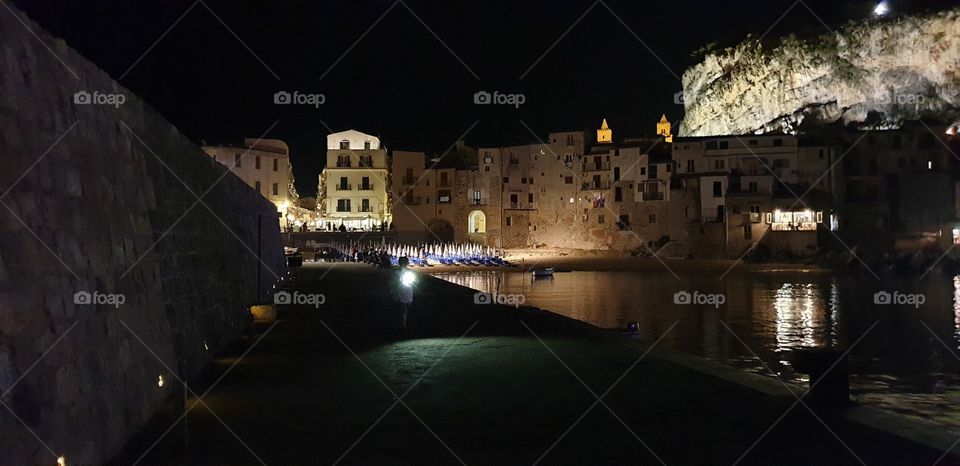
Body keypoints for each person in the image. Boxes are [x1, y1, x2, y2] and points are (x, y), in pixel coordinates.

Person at [393, 257, 415, 332]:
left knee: (404, 311)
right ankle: (403, 326)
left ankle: (403, 326)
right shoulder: (399, 272)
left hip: (405, 293)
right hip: (405, 293)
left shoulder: (397, 272)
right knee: (403, 311)